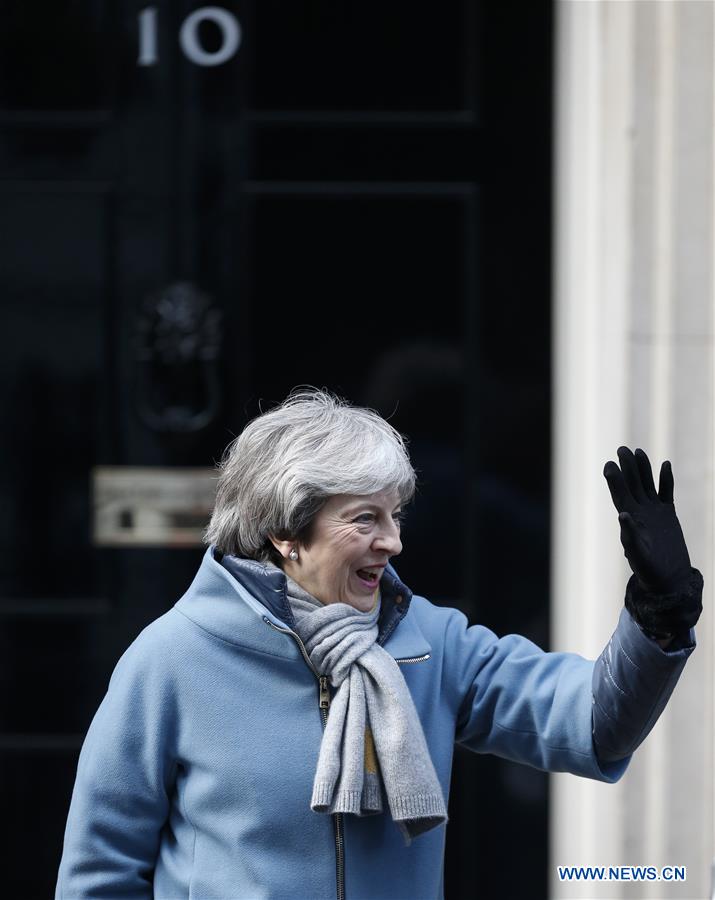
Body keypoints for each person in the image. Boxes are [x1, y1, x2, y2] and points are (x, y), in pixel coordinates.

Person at [56, 389, 703, 900]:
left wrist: (656, 613)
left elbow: (587, 723)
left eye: (394, 515)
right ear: (286, 532)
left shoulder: (431, 643)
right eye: (365, 518)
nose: (392, 541)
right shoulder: (171, 659)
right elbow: (99, 873)